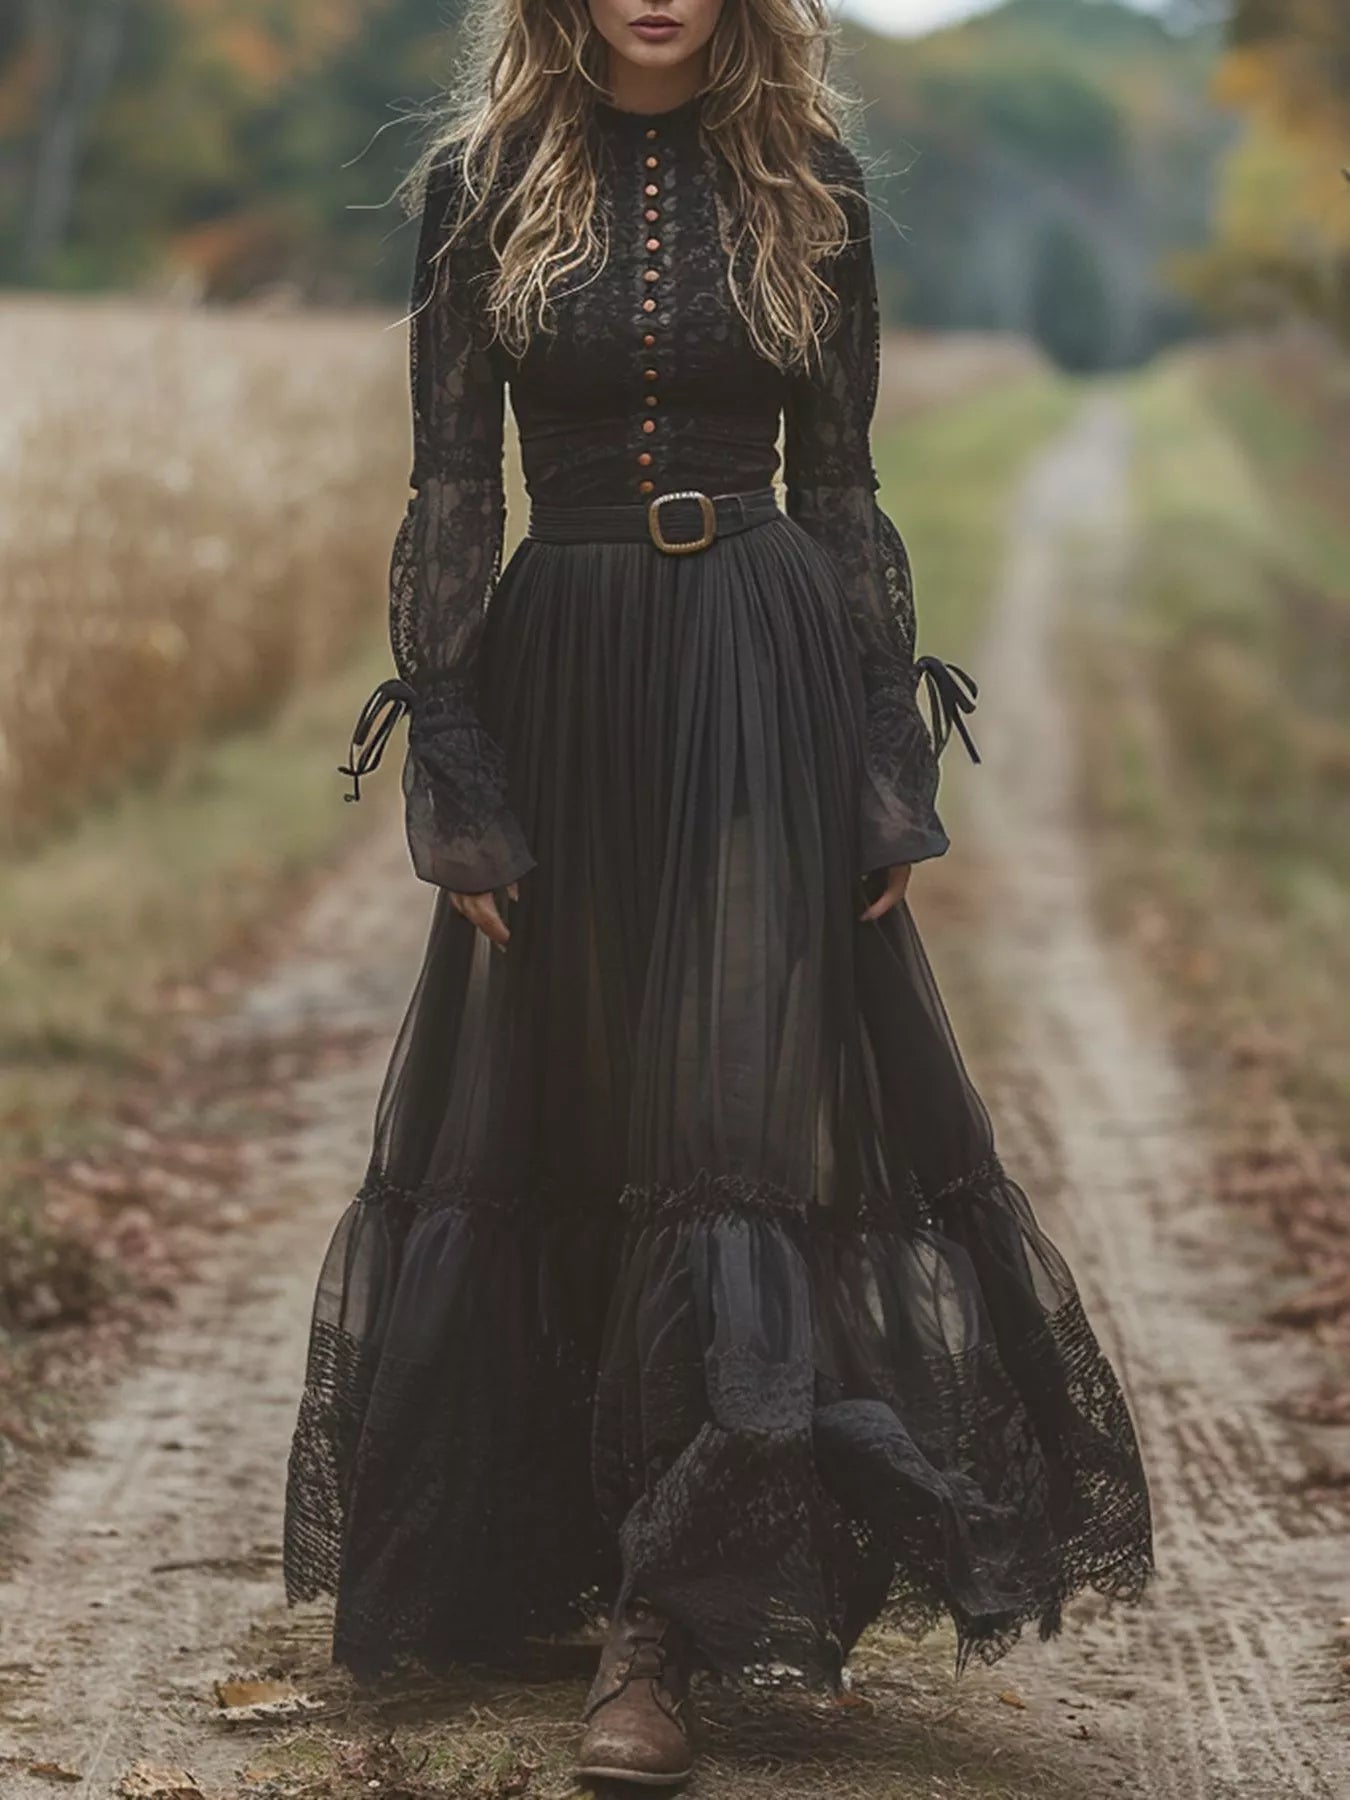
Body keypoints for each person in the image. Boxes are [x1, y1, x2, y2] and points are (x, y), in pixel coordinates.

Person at [281, 0, 1154, 1785]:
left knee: (726, 1131)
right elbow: (452, 482)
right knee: (575, 1117)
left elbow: (839, 489)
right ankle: (568, 1548)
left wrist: (880, 769)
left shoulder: (809, 183)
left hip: (760, 671)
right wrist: (451, 757)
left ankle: (658, 1631)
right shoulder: (482, 182)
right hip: (569, 669)